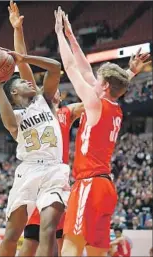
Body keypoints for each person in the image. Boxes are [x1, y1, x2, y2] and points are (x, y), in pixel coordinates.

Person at [54, 6, 151, 257]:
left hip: (89, 184)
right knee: (97, 253)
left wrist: (58, 33)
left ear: (105, 86)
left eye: (98, 80)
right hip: (106, 189)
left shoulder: (95, 104)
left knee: (70, 249)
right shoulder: (114, 106)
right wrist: (72, 36)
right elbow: (87, 70)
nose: (92, 81)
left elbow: (72, 68)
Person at [0, 16, 70, 257]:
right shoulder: (17, 116)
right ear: (13, 92)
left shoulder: (45, 101)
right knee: (12, 234)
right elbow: (10, 123)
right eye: (22, 81)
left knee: (48, 230)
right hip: (28, 171)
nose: (28, 82)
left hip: (54, 170)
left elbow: (54, 67)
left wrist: (21, 45)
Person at [6, 2, 84, 256]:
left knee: (58, 246)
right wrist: (18, 30)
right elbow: (23, 66)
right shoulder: (39, 105)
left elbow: (95, 99)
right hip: (37, 178)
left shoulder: (66, 111)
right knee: (30, 245)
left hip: (56, 181)